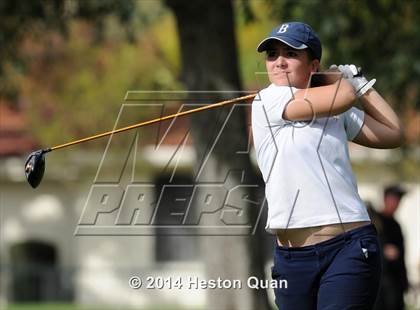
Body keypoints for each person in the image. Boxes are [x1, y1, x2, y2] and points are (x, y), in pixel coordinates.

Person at [251, 22, 404, 310]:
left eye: (291, 53)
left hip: (348, 248)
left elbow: (394, 132)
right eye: (272, 54)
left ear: (313, 64)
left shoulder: (337, 113)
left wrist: (359, 83)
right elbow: (342, 96)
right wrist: (337, 79)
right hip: (292, 259)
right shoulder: (267, 100)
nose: (279, 62)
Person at [374, 185, 409, 310]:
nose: (396, 203)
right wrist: (383, 250)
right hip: (378, 286)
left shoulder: (396, 226)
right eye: (393, 199)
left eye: (398, 199)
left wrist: (404, 283)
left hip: (395, 286)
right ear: (385, 199)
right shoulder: (374, 221)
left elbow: (402, 255)